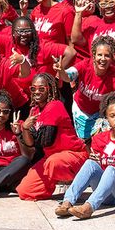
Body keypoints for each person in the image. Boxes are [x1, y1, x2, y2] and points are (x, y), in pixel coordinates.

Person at [57, 91, 115, 220]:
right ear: (106, 118)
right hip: (107, 195)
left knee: (111, 170)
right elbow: (97, 172)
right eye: (112, 116)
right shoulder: (99, 139)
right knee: (90, 164)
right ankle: (67, 202)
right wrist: (96, 162)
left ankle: (89, 207)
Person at [16, 73, 88, 201]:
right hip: (51, 157)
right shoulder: (35, 110)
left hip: (73, 154)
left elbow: (46, 141)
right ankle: (50, 184)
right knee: (25, 192)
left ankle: (82, 177)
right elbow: (30, 144)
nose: (36, 92)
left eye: (41, 88)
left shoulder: (55, 105)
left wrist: (27, 130)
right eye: (33, 89)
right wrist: (25, 129)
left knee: (53, 163)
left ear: (50, 89)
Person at [69, 37, 115, 139]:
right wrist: (61, 71)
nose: (103, 59)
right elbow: (68, 75)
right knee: (84, 141)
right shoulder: (85, 65)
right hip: (80, 111)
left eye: (107, 56)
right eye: (99, 55)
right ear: (93, 56)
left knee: (103, 139)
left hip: (100, 114)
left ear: (112, 58)